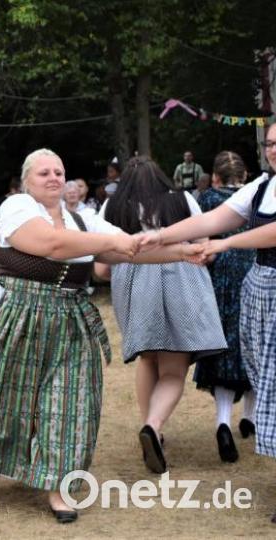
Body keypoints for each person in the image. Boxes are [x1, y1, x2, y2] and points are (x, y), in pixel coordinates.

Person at [0, 148, 202, 523]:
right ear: (26, 181)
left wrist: (183, 251)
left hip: (71, 317)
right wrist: (114, 243)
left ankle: (59, 486)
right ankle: (19, 462)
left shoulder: (82, 220)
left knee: (70, 402)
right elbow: (51, 244)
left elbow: (129, 249)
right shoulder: (17, 208)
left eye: (59, 172)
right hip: (23, 313)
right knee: (15, 399)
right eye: (44, 173)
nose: (53, 178)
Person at [140, 125, 276, 521]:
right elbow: (215, 218)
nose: (272, 149)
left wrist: (226, 243)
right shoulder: (263, 187)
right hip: (262, 290)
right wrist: (160, 235)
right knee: (267, 383)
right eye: (268, 143)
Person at [98, 155, 227, 474]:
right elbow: (202, 245)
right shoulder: (182, 199)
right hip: (180, 278)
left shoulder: (111, 207)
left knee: (147, 357)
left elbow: (101, 268)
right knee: (172, 368)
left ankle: (149, 426)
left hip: (132, 283)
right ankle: (153, 427)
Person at [192, 151, 256, 463]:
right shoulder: (258, 193)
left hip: (220, 277)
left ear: (215, 177)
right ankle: (251, 417)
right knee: (256, 345)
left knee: (223, 347)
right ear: (244, 175)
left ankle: (222, 422)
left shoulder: (207, 199)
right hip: (255, 269)